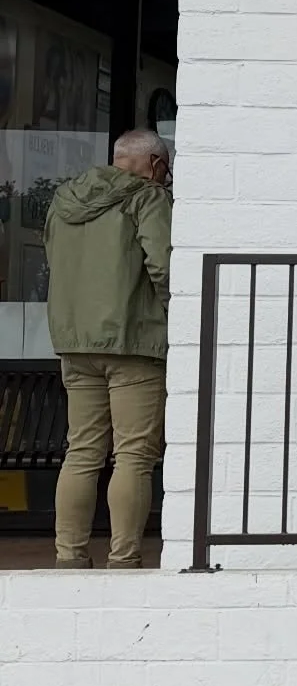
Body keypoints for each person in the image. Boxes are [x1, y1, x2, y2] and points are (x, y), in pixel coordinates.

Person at [44, 129, 172, 570]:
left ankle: (70, 557)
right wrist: (178, 315)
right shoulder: (147, 199)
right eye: (165, 168)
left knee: (81, 451)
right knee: (134, 454)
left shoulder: (63, 202)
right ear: (153, 163)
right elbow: (163, 265)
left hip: (75, 342)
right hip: (133, 341)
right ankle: (123, 559)